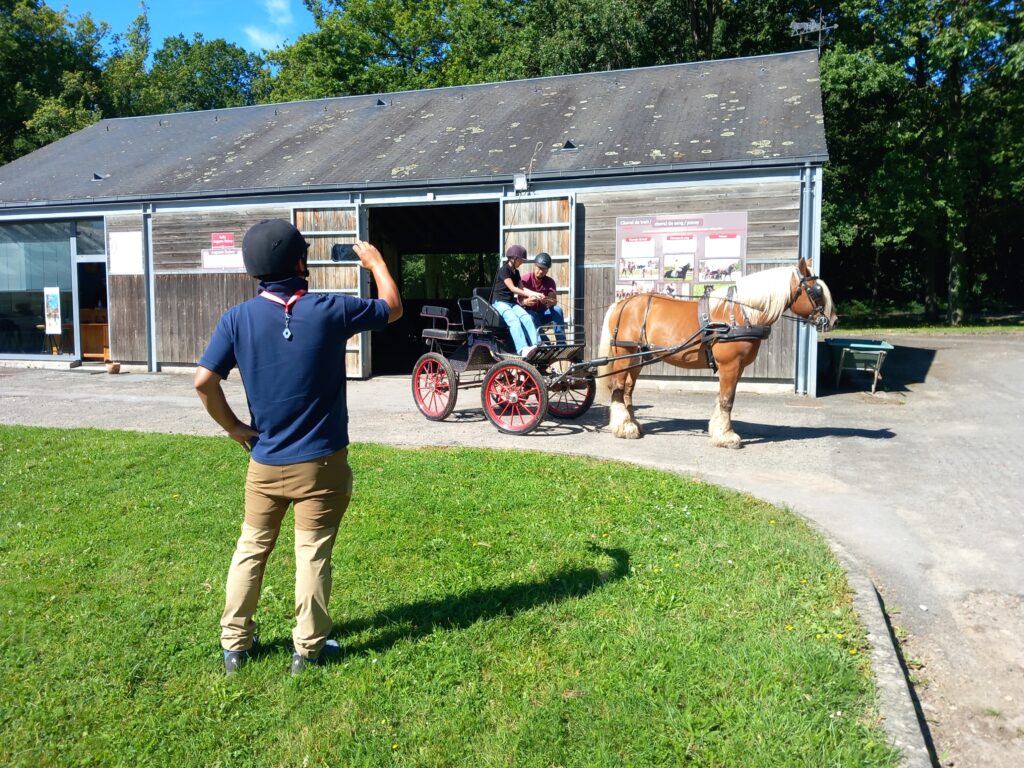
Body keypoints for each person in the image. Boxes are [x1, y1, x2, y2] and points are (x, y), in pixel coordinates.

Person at [193, 219, 402, 677]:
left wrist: (234, 429)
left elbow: (204, 382)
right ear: (300, 263)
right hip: (321, 465)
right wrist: (377, 263)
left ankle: (235, 646)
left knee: (251, 547)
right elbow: (392, 307)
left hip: (264, 462)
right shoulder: (330, 310)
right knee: (312, 552)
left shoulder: (236, 319)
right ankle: (307, 650)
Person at [490, 244, 545, 357]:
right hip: (499, 303)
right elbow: (513, 288)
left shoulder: (517, 272)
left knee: (527, 318)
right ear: (514, 258)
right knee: (514, 321)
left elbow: (522, 288)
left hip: (511, 303)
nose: (522, 262)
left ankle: (538, 344)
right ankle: (522, 349)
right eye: (521, 259)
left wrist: (537, 294)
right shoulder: (503, 270)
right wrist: (529, 295)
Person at [519, 251, 565, 343]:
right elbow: (520, 301)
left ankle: (561, 344)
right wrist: (527, 301)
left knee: (558, 310)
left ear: (547, 270)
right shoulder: (525, 279)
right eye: (539, 267)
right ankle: (546, 343)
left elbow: (554, 301)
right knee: (533, 315)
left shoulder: (550, 281)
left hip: (542, 314)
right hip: (527, 315)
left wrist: (547, 300)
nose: (540, 271)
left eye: (544, 269)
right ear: (534, 265)